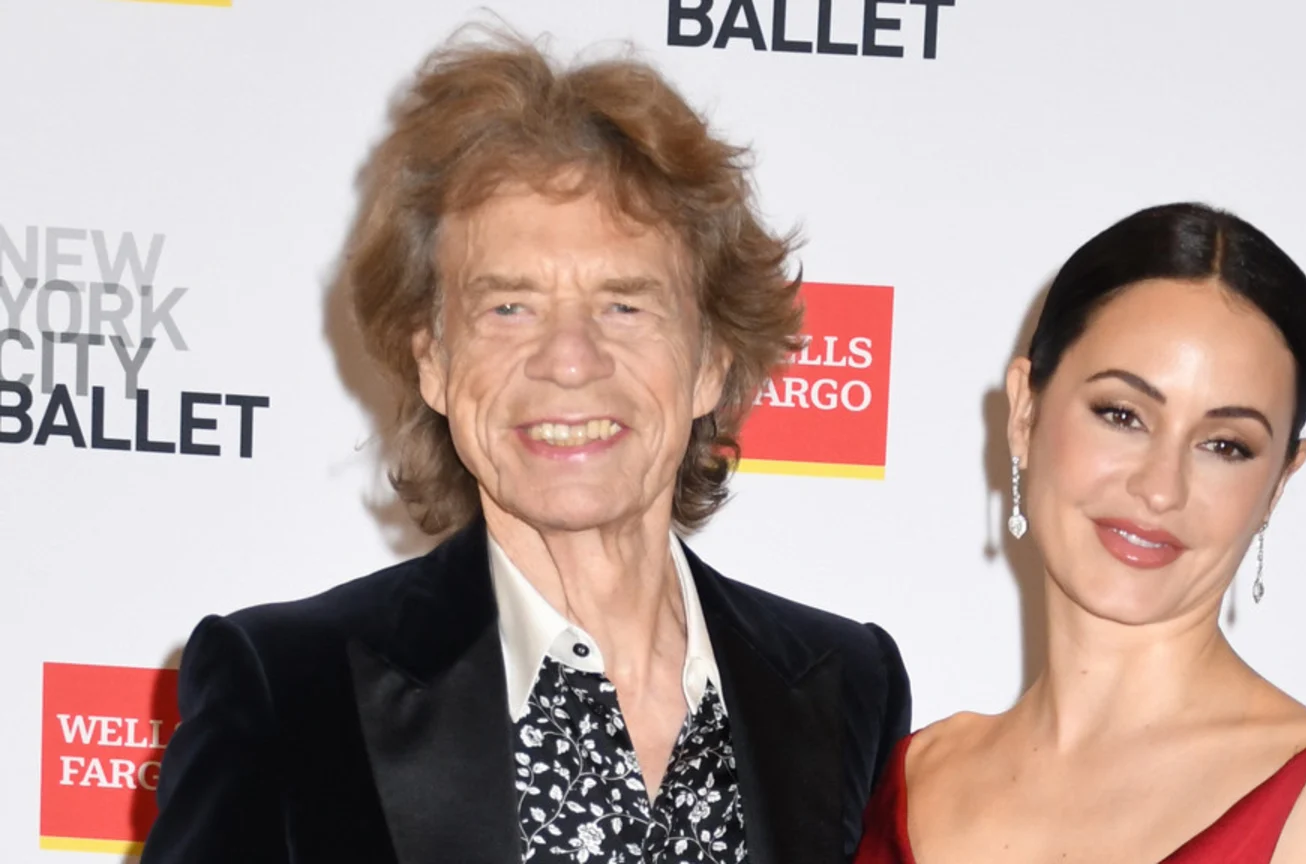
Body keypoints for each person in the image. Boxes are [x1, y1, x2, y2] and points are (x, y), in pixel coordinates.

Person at [141, 27, 910, 864]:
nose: (569, 360)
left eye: (624, 305)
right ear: (433, 362)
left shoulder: (846, 688)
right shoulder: (288, 692)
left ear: (710, 363)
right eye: (509, 308)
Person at [854, 203, 1306, 864]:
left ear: (1278, 483)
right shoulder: (918, 771)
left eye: (1226, 445)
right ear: (1024, 413)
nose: (1161, 488)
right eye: (1122, 414)